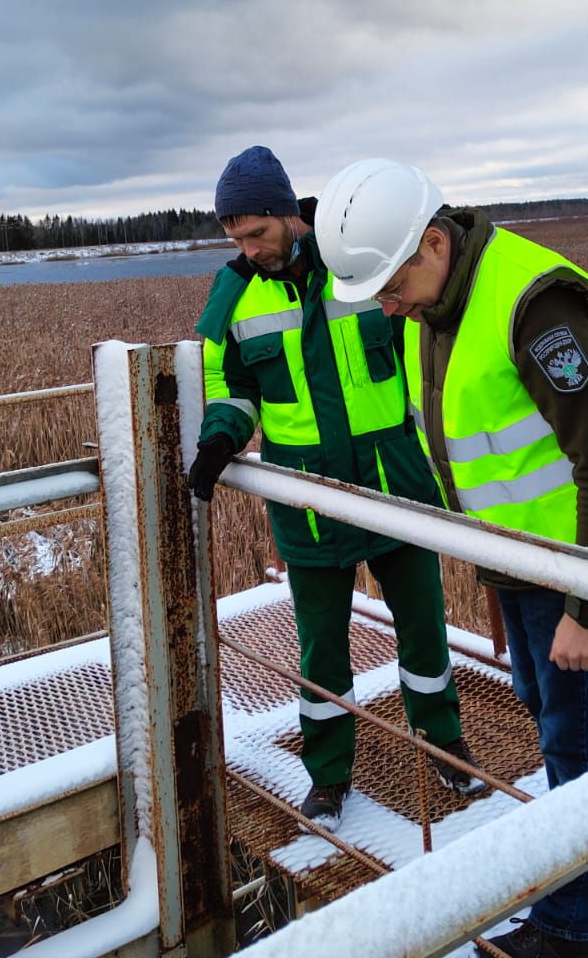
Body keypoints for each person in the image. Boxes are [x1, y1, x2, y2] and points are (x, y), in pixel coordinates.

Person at [317, 159, 588, 958]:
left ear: (435, 242)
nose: (388, 307)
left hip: (569, 564)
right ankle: (586, 878)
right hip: (519, 561)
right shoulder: (438, 302)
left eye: (391, 286)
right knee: (552, 717)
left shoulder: (533, 305)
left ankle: (573, 931)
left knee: (576, 744)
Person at [188, 144, 483, 829]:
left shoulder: (359, 258)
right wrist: (221, 439)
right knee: (322, 649)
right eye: (234, 237)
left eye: (255, 233)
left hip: (394, 484)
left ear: (288, 214)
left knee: (424, 628)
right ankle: (328, 775)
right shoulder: (232, 295)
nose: (247, 248)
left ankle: (444, 744)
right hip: (307, 499)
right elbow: (227, 386)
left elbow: (426, 341)